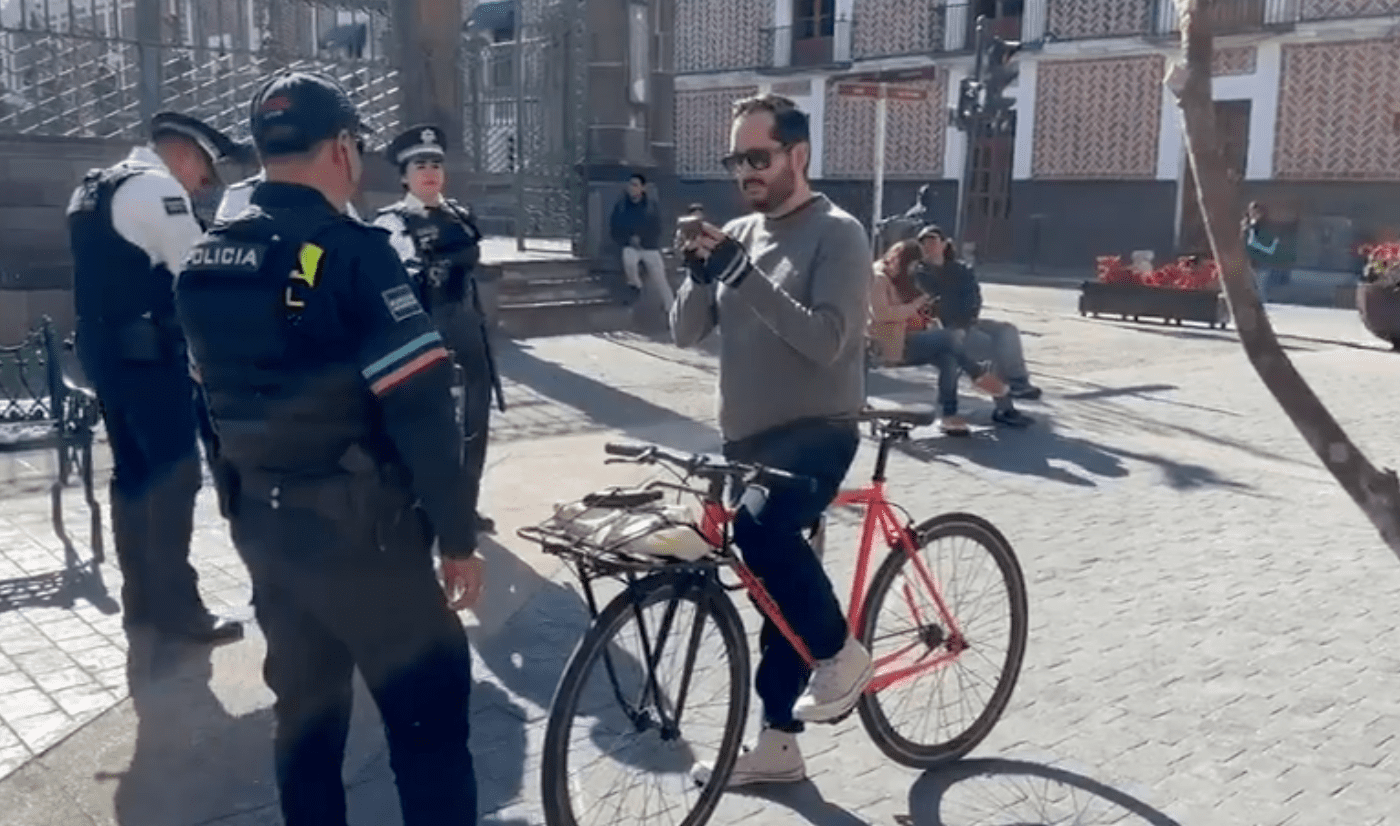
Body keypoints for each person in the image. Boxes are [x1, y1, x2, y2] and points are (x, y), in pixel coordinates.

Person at [173, 70, 483, 826]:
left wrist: (245, 512)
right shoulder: (352, 253)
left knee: (306, 727)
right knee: (429, 727)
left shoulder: (205, 262)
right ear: (343, 148)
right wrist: (457, 538)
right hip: (366, 542)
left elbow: (210, 413)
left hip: (270, 535)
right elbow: (423, 412)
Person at [672, 93, 872, 787]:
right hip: (747, 442)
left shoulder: (839, 234)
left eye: (758, 158)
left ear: (798, 155)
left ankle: (840, 654)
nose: (745, 173)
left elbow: (827, 340)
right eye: (736, 160)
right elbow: (683, 333)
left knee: (760, 535)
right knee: (769, 589)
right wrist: (697, 273)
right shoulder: (739, 234)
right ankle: (779, 743)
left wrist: (742, 275)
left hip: (818, 432)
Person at [66, 111, 244, 643]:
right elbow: (196, 275)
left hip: (105, 358)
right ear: (185, 155)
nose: (203, 188)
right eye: (205, 174)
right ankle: (179, 611)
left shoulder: (91, 190)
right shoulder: (157, 189)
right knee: (174, 476)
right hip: (150, 359)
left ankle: (141, 602)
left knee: (132, 476)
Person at [373, 123, 503, 534]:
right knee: (431, 425)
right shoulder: (391, 223)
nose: (429, 172)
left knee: (474, 421)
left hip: (466, 326)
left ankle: (465, 506)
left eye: (435, 165)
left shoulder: (460, 216)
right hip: (423, 331)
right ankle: (425, 507)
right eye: (419, 166)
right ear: (404, 176)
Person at [868, 239, 1031, 433]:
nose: (913, 270)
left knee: (948, 357)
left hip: (909, 338)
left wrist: (925, 313)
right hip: (890, 344)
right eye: (911, 265)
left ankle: (949, 416)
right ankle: (978, 374)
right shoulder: (879, 278)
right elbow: (882, 314)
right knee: (949, 338)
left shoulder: (904, 277)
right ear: (899, 260)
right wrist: (915, 305)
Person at [915, 225, 1042, 404]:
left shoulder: (960, 270)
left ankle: (1018, 382)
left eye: (932, 241)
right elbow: (935, 305)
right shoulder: (919, 274)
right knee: (991, 345)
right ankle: (1004, 405)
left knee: (1007, 331)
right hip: (941, 329)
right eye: (923, 243)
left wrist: (968, 319)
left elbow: (973, 298)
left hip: (966, 322)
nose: (928, 246)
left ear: (944, 244)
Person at [609, 172, 673, 309]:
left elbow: (657, 227)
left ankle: (671, 308)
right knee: (629, 261)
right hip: (630, 246)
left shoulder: (651, 206)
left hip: (649, 247)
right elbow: (615, 227)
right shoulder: (621, 206)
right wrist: (629, 239)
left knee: (660, 279)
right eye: (630, 185)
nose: (632, 188)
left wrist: (643, 239)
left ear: (642, 188)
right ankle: (636, 286)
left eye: (635, 185)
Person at [1243, 201, 1289, 303]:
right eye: (1252, 211)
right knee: (1253, 286)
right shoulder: (1248, 225)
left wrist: (1270, 247)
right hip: (1248, 258)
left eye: (1257, 212)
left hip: (1259, 260)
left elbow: (1260, 241)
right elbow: (1250, 241)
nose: (1255, 214)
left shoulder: (1261, 226)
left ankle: (1261, 304)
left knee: (1259, 287)